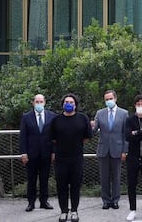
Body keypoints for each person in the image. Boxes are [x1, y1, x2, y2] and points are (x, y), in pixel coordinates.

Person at [51, 93, 93, 222]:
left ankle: (74, 211)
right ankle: (64, 211)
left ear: (75, 105)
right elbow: (52, 139)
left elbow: (87, 137)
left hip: (76, 158)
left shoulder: (82, 118)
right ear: (63, 104)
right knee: (61, 186)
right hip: (61, 159)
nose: (68, 104)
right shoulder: (56, 120)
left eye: (71, 102)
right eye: (66, 102)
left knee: (75, 186)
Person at [91, 90, 128, 210]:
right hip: (103, 149)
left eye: (110, 99)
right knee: (104, 177)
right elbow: (93, 130)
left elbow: (125, 134)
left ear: (115, 99)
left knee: (116, 177)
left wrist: (124, 151)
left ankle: (115, 200)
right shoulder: (100, 113)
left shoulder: (124, 113)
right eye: (106, 99)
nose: (108, 101)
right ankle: (106, 200)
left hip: (117, 149)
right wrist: (90, 126)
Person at [19, 94, 56, 212]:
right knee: (31, 179)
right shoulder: (26, 117)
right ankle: (31, 202)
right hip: (31, 154)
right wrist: (23, 153)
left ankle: (44, 201)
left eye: (41, 101)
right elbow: (22, 137)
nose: (39, 104)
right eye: (37, 101)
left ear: (45, 102)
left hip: (46, 153)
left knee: (44, 179)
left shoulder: (52, 116)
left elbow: (55, 136)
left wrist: (53, 152)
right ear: (33, 103)